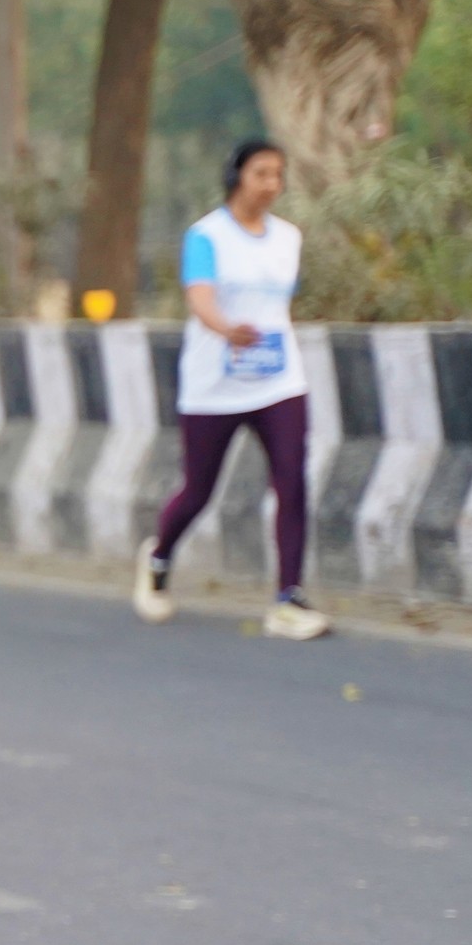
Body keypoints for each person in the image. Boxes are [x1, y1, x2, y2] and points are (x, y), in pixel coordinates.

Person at [134, 140, 329, 640]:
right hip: (215, 383)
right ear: (236, 176)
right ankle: (158, 559)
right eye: (261, 173)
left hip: (279, 380)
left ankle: (288, 599)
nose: (271, 184)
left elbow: (279, 303)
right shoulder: (206, 236)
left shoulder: (288, 238)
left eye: (278, 175)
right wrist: (226, 328)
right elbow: (200, 298)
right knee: (198, 490)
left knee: (292, 481)